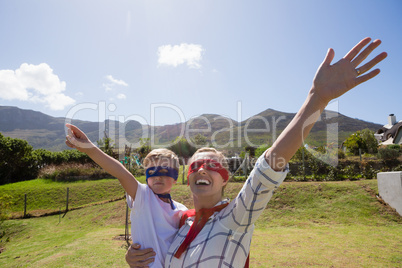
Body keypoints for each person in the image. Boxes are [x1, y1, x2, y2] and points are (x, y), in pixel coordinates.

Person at [125, 37, 387, 267]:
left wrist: (316, 99)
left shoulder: (234, 219)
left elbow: (267, 169)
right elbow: (153, 246)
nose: (202, 169)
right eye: (194, 166)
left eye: (212, 165)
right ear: (187, 177)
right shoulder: (179, 225)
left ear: (225, 178)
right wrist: (133, 257)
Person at [65, 125, 187, 268]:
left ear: (176, 177)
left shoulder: (182, 210)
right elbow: (121, 174)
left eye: (164, 170)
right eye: (151, 172)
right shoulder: (143, 196)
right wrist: (89, 147)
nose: (157, 176)